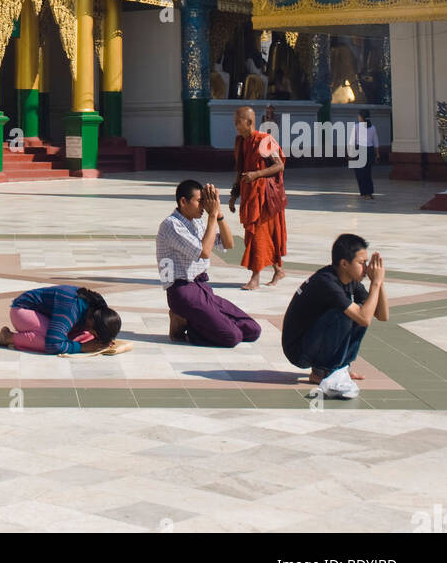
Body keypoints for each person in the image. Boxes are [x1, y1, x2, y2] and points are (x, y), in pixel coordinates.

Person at [281, 233, 388, 399]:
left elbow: (382, 315)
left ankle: (340, 367)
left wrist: (380, 283)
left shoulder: (350, 280)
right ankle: (325, 370)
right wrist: (375, 283)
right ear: (344, 263)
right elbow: (364, 318)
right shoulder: (327, 282)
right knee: (350, 313)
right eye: (362, 263)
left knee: (360, 309)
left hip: (312, 342)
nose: (366, 268)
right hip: (298, 350)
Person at [157, 180, 261, 348]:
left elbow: (228, 244)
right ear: (183, 202)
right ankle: (182, 320)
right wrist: (212, 216)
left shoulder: (197, 221)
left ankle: (195, 320)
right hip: (181, 291)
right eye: (199, 201)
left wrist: (218, 214)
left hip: (203, 289)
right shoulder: (171, 225)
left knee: (252, 330)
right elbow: (204, 251)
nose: (203, 206)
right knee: (231, 337)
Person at [230, 106, 287, 291]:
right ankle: (279, 269)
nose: (236, 125)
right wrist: (234, 194)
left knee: (258, 237)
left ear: (249, 122)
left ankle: (255, 277)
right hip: (250, 196)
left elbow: (279, 166)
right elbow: (239, 169)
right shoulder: (240, 141)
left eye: (239, 121)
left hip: (264, 198)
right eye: (235, 121)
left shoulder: (264, 140)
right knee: (260, 237)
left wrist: (257, 174)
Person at [0, 286, 129, 355]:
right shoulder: (71, 307)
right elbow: (54, 345)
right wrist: (81, 348)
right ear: (91, 322)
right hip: (22, 311)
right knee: (51, 341)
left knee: (84, 337)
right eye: (96, 333)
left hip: (48, 316)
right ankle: (9, 338)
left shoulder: (99, 308)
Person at [355, 110, 379, 199]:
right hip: (370, 151)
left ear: (361, 117)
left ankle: (363, 193)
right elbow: (375, 142)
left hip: (359, 150)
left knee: (359, 173)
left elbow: (352, 141)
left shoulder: (356, 127)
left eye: (359, 116)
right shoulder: (372, 127)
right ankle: (369, 193)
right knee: (368, 173)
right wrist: (377, 154)